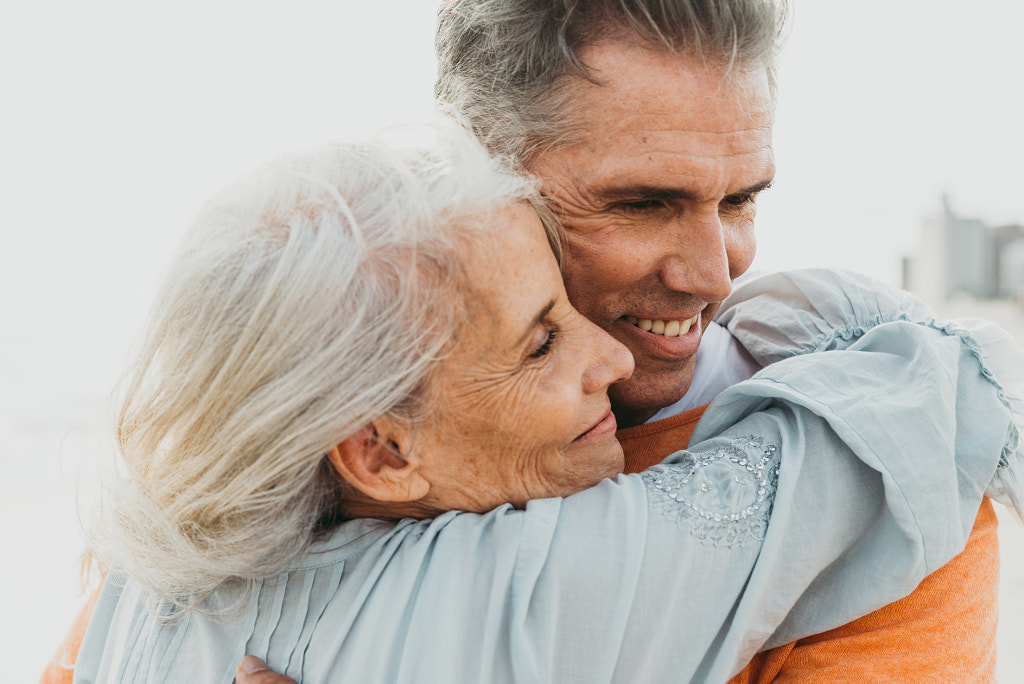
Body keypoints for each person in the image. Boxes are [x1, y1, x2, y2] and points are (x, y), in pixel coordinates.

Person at [67, 127, 1023, 683]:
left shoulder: (140, 576)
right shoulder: (527, 580)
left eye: (740, 201)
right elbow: (910, 419)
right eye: (540, 339)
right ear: (382, 453)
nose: (610, 355)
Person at [430, 0, 1010, 680]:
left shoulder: (902, 497)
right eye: (643, 204)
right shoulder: (335, 435)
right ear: (475, 175)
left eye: (739, 201)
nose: (713, 275)